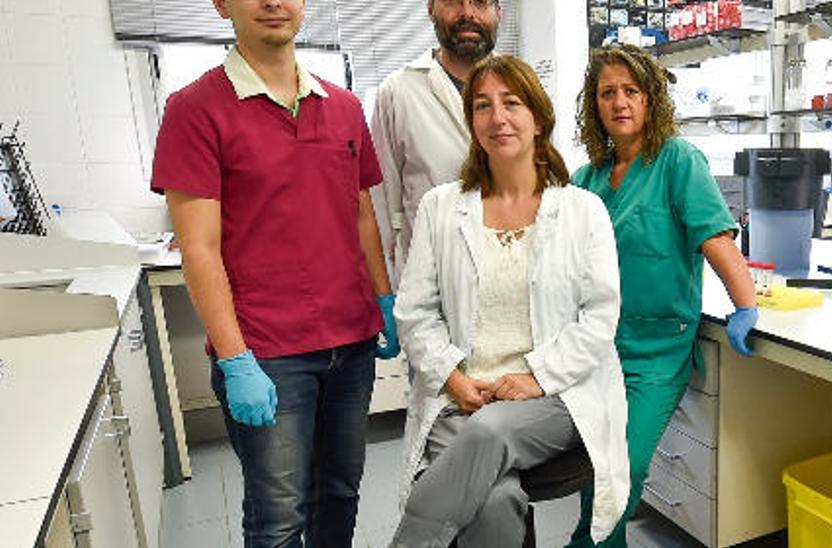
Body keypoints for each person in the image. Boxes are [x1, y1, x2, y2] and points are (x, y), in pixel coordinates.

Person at [150, 0, 399, 545]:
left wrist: (383, 299)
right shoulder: (195, 109)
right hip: (268, 353)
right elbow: (199, 248)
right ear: (220, 4)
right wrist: (235, 358)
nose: (272, 2)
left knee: (340, 494)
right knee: (279, 516)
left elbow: (360, 214)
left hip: (351, 344)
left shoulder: (343, 106)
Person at [390, 55, 630, 548]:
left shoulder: (583, 210)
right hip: (459, 392)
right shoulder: (441, 207)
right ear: (471, 120)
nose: (497, 117)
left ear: (538, 117)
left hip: (555, 394)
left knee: (490, 431)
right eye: (482, 105)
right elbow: (415, 312)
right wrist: (452, 376)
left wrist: (536, 377)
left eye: (512, 103)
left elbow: (599, 318)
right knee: (495, 501)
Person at [567, 43, 758, 547]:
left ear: (651, 99)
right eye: (607, 93)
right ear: (595, 105)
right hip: (596, 350)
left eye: (631, 90)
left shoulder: (677, 160)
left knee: (623, 469)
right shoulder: (587, 179)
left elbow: (714, 236)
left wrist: (746, 304)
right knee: (595, 466)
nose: (619, 102)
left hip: (657, 353)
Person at [371, 0, 503, 283]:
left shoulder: (524, 89)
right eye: (454, 1)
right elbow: (382, 208)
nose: (468, 13)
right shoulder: (398, 92)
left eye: (481, 2)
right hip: (429, 288)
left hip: (511, 279)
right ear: (431, 7)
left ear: (499, 10)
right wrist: (387, 292)